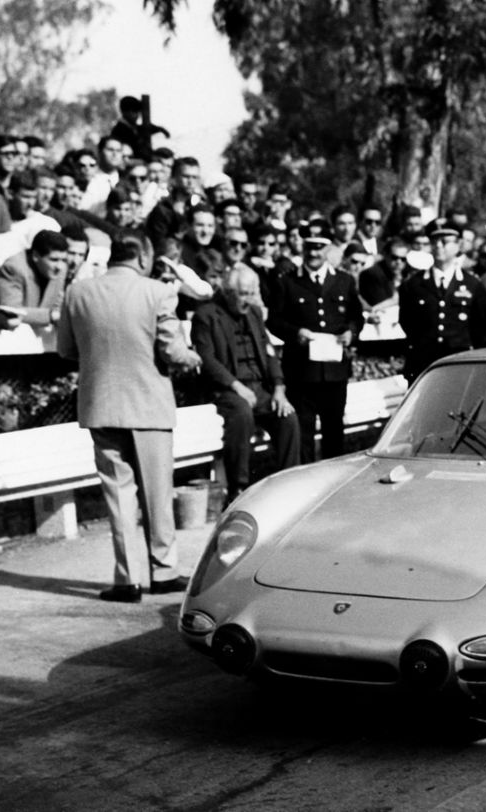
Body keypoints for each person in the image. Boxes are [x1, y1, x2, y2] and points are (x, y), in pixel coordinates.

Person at [56, 229, 201, 602]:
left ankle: (127, 579)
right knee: (157, 492)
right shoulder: (158, 292)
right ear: (142, 258)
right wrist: (193, 358)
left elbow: (67, 350)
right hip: (149, 404)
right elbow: (172, 351)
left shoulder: (78, 292)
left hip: (101, 405)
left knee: (118, 496)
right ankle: (164, 570)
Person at [190, 265, 299, 505]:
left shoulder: (255, 313)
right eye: (243, 294)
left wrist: (279, 389)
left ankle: (287, 481)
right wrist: (236, 386)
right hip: (227, 388)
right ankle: (238, 488)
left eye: (252, 293)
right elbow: (206, 360)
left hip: (259, 388)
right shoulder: (206, 315)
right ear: (228, 292)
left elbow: (269, 354)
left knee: (288, 418)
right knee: (241, 413)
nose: (248, 300)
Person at [267, 226, 363, 463]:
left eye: (319, 247)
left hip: (334, 372)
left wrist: (351, 333)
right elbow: (274, 320)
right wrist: (295, 332)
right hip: (301, 372)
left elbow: (356, 317)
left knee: (333, 433)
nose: (313, 253)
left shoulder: (344, 281)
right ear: (302, 247)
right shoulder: (287, 282)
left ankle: (332, 484)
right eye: (309, 247)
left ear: (328, 249)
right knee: (304, 435)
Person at [398, 221, 486, 381]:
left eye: (445, 241)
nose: (439, 246)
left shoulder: (472, 284)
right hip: (423, 363)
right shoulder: (414, 284)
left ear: (458, 246)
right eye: (434, 242)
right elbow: (407, 322)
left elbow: (480, 326)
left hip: (459, 362)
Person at [0, 229, 70, 327]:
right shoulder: (14, 267)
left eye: (63, 260)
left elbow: (58, 305)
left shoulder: (61, 269)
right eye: (54, 259)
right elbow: (11, 311)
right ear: (35, 256)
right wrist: (51, 316)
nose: (59, 266)